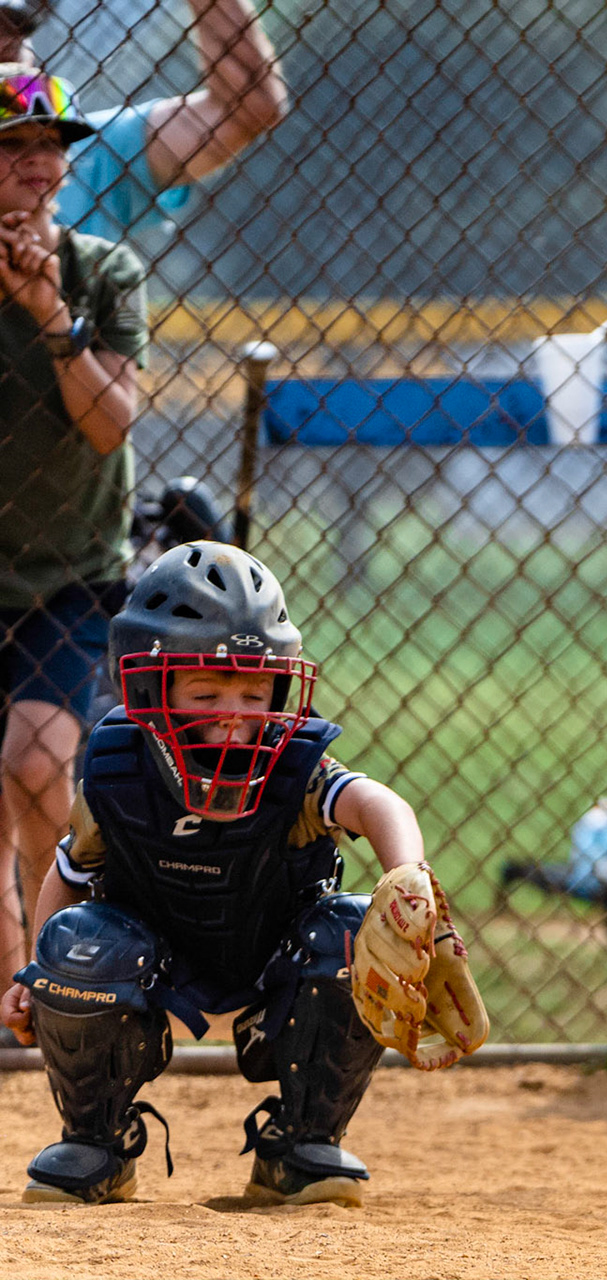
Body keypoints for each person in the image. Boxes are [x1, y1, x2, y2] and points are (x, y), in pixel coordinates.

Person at [0, 541, 487, 1205]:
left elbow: (378, 803)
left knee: (348, 929)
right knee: (76, 940)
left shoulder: (294, 761)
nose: (235, 711)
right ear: (148, 685)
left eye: (255, 690)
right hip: (154, 965)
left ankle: (302, 1145)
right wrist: (36, 973)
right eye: (206, 690)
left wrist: (407, 877)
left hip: (276, 965)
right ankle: (96, 1142)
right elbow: (69, 875)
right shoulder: (119, 770)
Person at [0, 63, 147, 996]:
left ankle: (68, 958)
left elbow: (111, 422)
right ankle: (13, 994)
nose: (40, 164)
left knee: (37, 759)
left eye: (51, 145)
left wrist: (49, 312)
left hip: (71, 574)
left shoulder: (101, 272)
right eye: (14, 147)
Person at [0, 0, 288, 242]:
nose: (8, 44)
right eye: (11, 143)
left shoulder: (85, 149)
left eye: (17, 28)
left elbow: (249, 107)